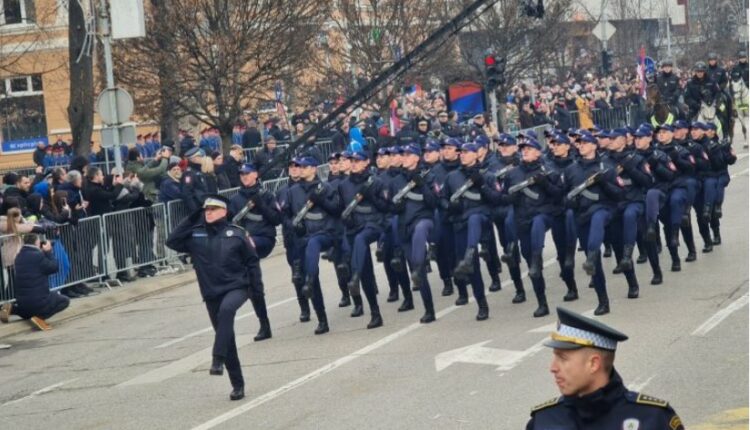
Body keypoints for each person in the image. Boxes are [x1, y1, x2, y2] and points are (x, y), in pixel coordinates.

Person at [166, 195, 263, 401]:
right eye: (206, 210)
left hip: (237, 286)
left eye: (213, 209)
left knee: (227, 311)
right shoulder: (196, 235)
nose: (208, 212)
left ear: (224, 211)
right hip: (211, 292)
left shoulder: (237, 234)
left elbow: (252, 262)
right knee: (226, 337)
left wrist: (256, 291)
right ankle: (237, 384)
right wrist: (193, 216)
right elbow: (172, 241)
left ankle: (216, 359)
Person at [526, 307, 684, 430]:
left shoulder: (653, 419)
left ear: (593, 364)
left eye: (562, 358)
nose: (552, 368)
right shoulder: (544, 420)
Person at [0, 234, 69, 331]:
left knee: (29, 311)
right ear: (36, 242)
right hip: (39, 301)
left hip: (22, 301)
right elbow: (54, 267)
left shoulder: (18, 257)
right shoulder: (38, 256)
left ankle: (13, 309)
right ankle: (40, 318)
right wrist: (48, 252)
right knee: (65, 300)